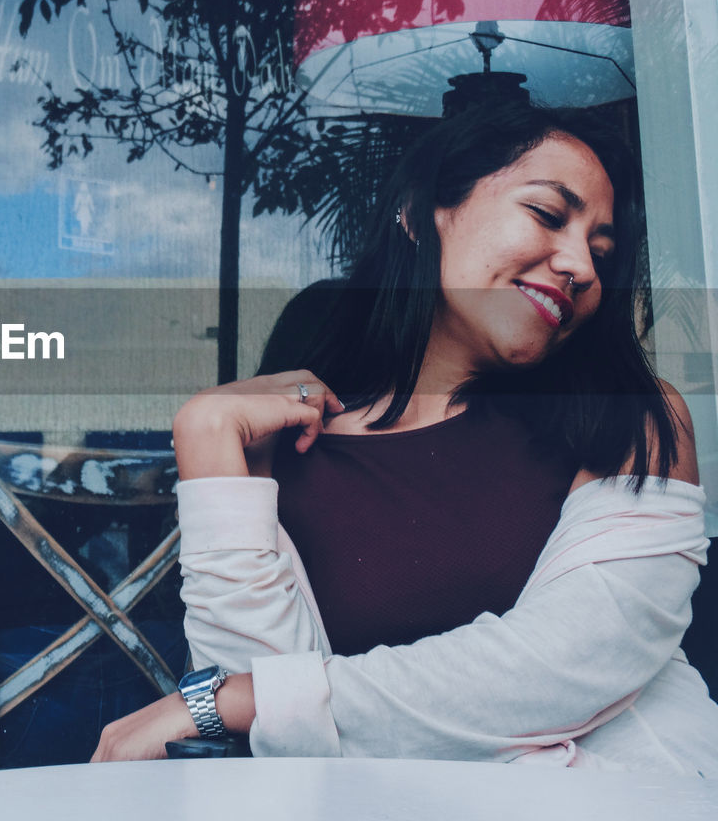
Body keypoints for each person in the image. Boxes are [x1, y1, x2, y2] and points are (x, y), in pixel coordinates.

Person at [91, 103, 718, 775]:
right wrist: (207, 436)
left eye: (601, 252)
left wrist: (229, 704)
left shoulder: (625, 419)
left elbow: (575, 658)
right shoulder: (294, 453)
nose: (581, 267)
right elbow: (270, 745)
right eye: (546, 214)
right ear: (422, 213)